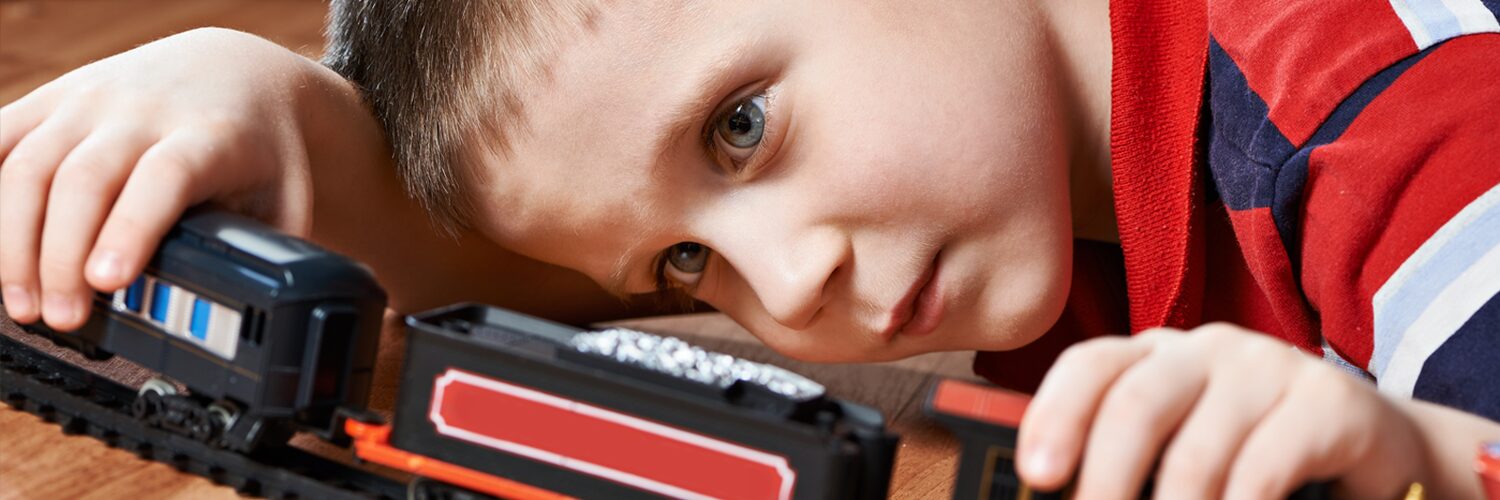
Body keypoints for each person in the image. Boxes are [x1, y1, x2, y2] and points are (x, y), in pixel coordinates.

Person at [1, 0, 1496, 497]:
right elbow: (520, 266)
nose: (787, 287)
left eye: (740, 131)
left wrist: (1409, 448)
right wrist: (277, 109)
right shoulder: (1056, 163)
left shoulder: (1385, 111)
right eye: (686, 274)